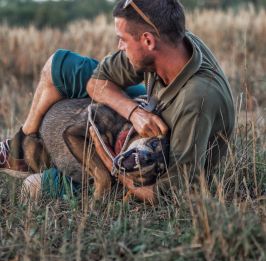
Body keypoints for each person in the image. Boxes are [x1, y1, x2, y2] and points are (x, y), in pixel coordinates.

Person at [0, 0, 235, 203]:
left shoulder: (196, 100)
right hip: (144, 112)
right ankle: (20, 148)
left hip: (144, 162)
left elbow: (170, 193)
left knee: (33, 187)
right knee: (58, 65)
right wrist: (133, 112)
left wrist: (109, 162)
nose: (118, 47)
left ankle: (56, 170)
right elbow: (97, 81)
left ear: (148, 41)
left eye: (122, 40)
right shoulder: (171, 40)